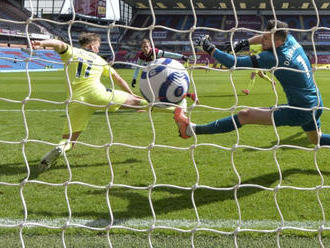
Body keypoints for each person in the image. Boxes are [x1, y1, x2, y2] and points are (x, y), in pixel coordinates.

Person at [174, 20, 330, 146]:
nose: (262, 40)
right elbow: (264, 37)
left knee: (245, 115)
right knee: (317, 140)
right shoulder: (289, 39)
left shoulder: (274, 57)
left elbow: (234, 63)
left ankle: (190, 130)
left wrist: (209, 47)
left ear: (277, 42)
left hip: (300, 110)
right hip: (316, 102)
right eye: (263, 36)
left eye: (266, 39)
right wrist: (243, 43)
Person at [31, 33, 148, 170]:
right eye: (98, 46)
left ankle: (61, 147)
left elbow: (58, 44)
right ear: (92, 46)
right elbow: (118, 79)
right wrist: (132, 95)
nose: (98, 49)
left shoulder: (72, 52)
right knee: (138, 102)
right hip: (99, 94)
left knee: (69, 140)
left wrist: (41, 43)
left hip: (76, 101)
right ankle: (164, 105)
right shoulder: (100, 59)